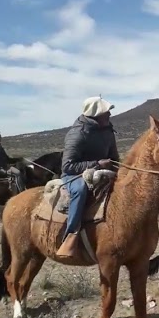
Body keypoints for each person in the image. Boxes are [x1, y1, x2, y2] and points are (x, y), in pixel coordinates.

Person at [56, 96, 119, 258]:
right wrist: (97, 164)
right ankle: (70, 237)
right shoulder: (77, 134)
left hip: (102, 170)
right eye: (106, 112)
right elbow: (67, 166)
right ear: (96, 114)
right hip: (74, 175)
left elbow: (114, 158)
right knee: (80, 190)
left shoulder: (108, 131)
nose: (110, 115)